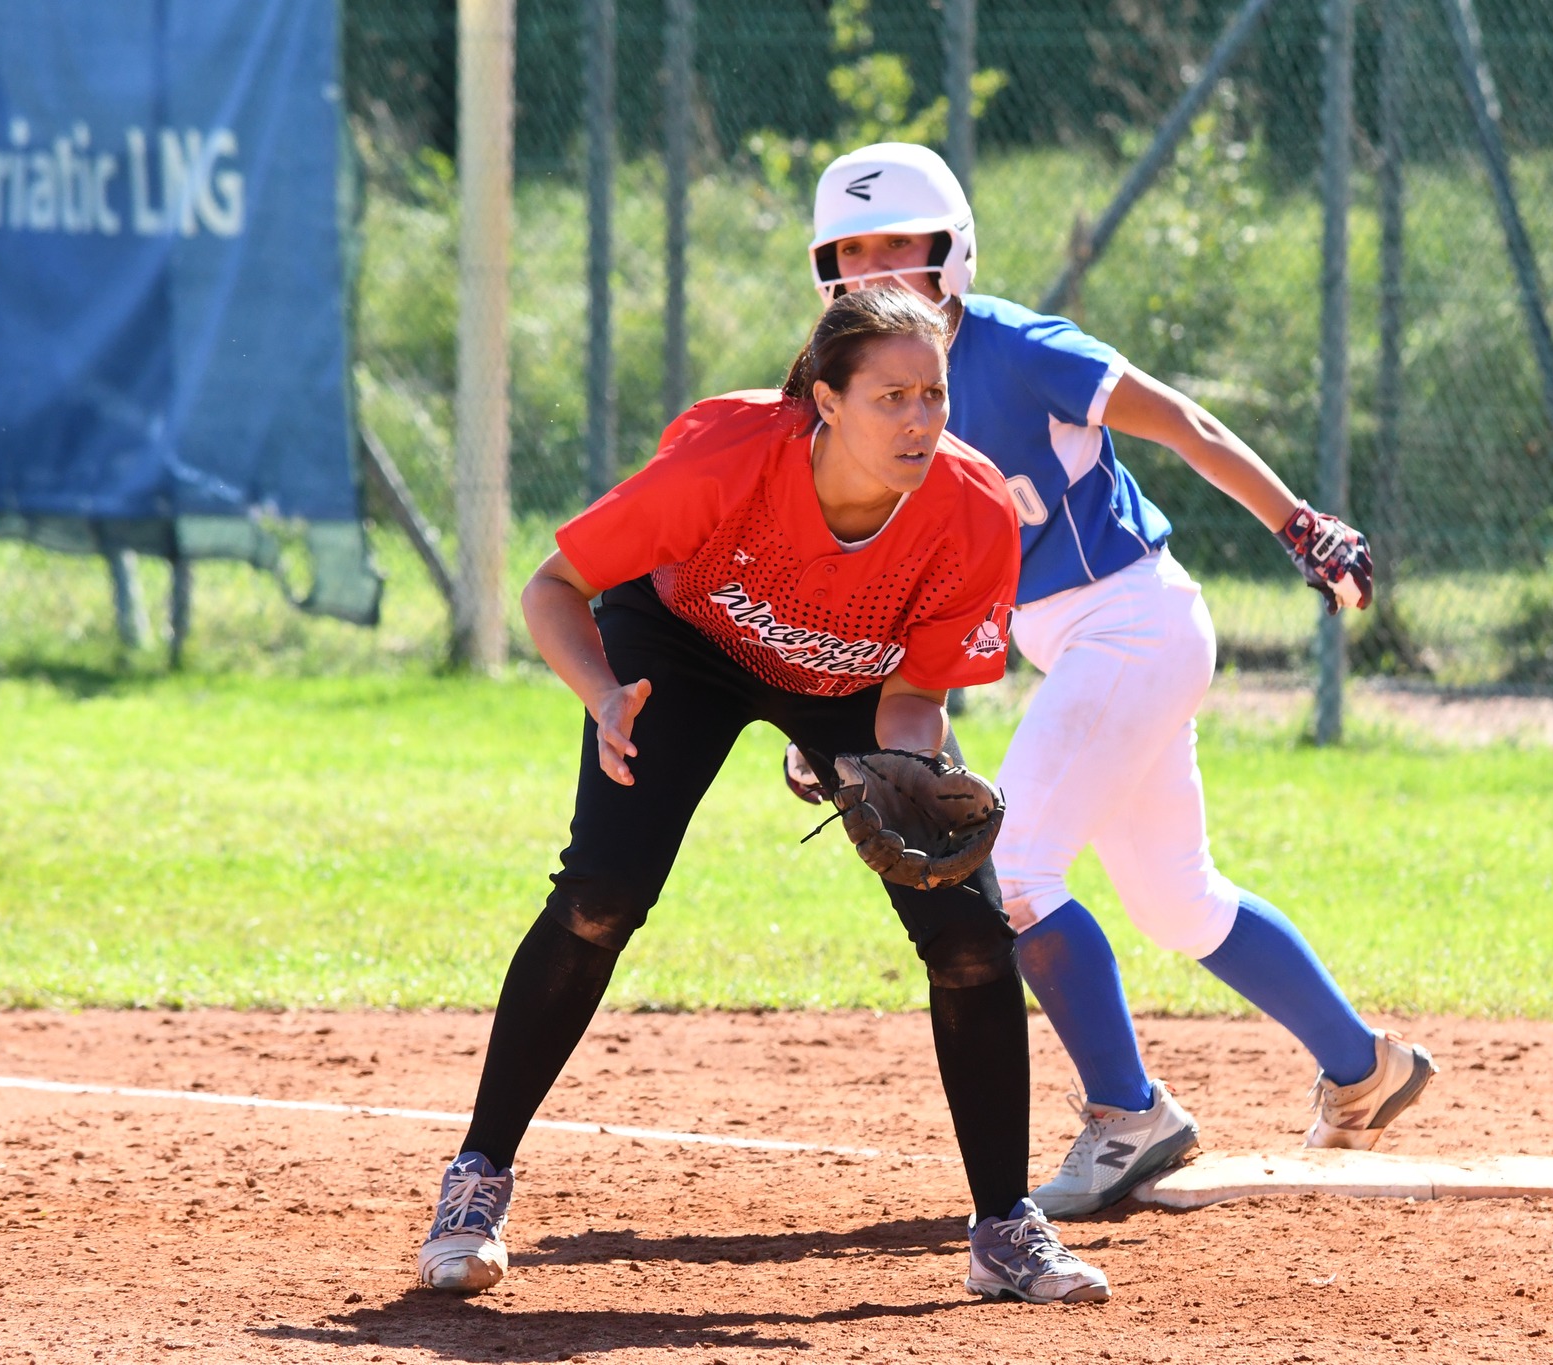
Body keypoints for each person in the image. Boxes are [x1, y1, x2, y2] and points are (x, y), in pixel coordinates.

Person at [416, 287, 1110, 1306]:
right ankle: (475, 1181)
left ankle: (1004, 1226)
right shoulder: (729, 461)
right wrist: (605, 696)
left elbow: (913, 695)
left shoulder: (968, 512)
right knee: (602, 892)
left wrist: (901, 770)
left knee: (967, 934)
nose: (917, 420)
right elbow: (550, 588)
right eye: (889, 397)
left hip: (849, 681)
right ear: (824, 399)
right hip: (678, 649)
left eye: (933, 395)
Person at [784, 143, 1438, 1218]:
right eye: (851, 250)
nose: (875, 268)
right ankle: (1363, 1064)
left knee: (1018, 870)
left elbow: (1180, 420)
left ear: (951, 252)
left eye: (899, 242)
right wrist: (832, 710)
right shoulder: (864, 391)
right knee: (1178, 901)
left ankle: (1130, 1116)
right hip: (1092, 645)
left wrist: (1296, 524)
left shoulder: (1016, 348)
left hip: (1134, 622)